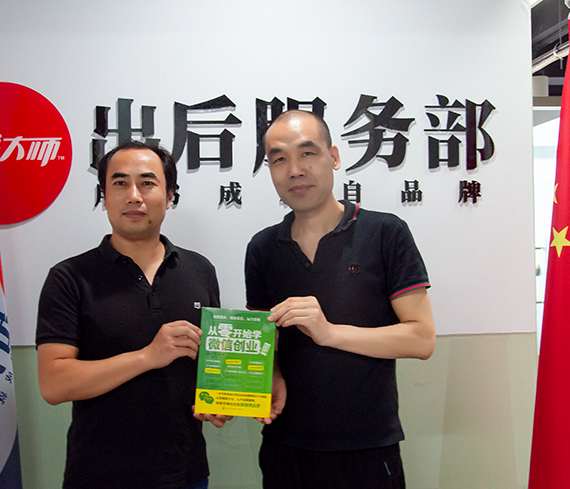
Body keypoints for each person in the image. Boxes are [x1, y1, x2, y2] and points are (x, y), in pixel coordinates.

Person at [245, 110, 436, 489]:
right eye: (279, 159)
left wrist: (329, 332)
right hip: (285, 446)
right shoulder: (262, 248)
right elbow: (268, 344)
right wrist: (272, 374)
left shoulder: (385, 232)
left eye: (307, 153)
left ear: (333, 157)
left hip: (367, 448)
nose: (294, 170)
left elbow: (421, 339)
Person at [37, 140, 228, 489]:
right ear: (104, 195)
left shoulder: (200, 270)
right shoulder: (70, 277)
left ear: (169, 196)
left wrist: (219, 398)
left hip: (186, 474)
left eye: (147, 183)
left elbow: (208, 361)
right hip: (99, 476)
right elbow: (54, 383)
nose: (134, 196)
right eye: (120, 183)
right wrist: (147, 356)